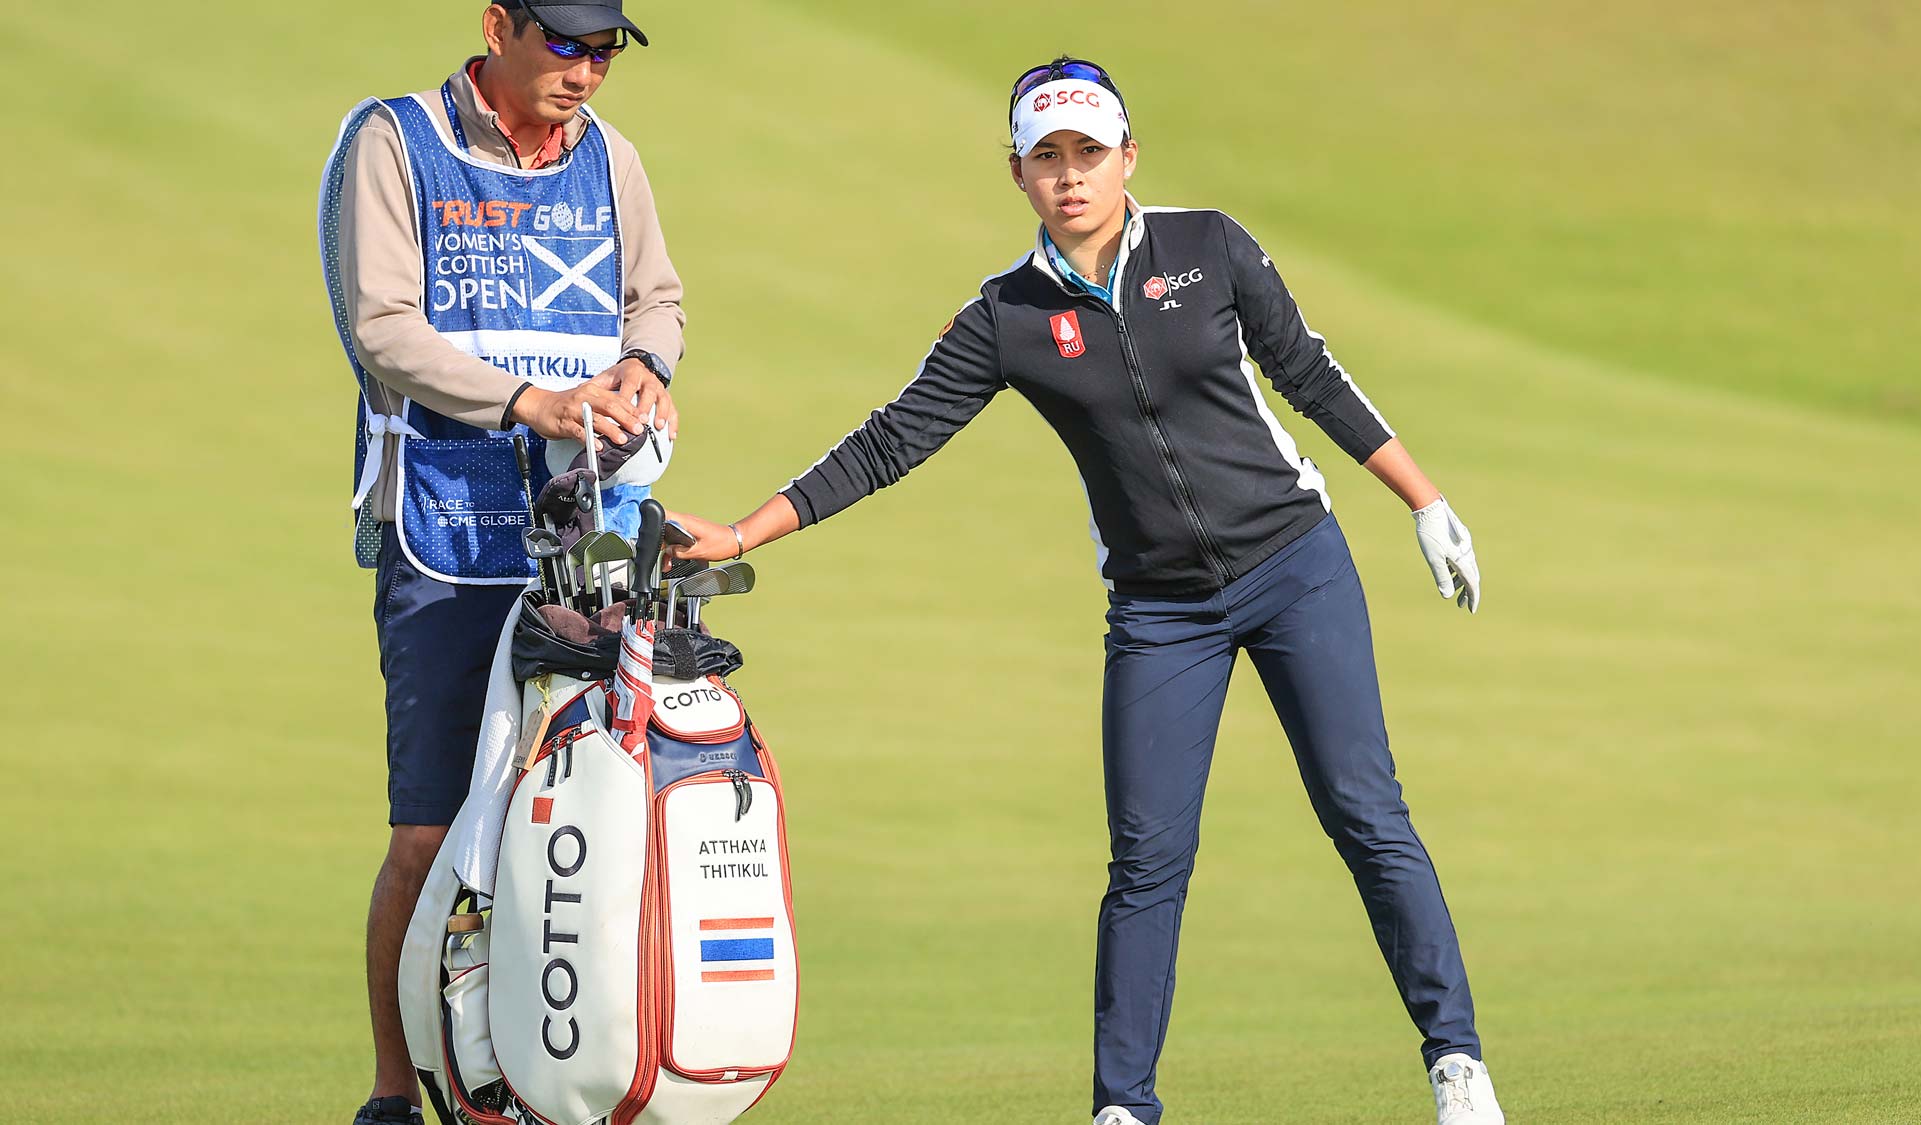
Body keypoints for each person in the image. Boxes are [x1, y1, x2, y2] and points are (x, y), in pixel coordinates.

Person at [660, 57, 1506, 1125]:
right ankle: (1121, 1108)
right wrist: (743, 530)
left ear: (1127, 159)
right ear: (1016, 171)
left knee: (1364, 814)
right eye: (1046, 158)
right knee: (1147, 860)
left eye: (1088, 155)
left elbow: (1308, 371)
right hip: (1161, 613)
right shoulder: (1007, 315)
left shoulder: (1207, 247)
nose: (1070, 177)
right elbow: (890, 442)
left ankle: (1456, 1063)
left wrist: (1422, 500)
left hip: (1294, 566)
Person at [315, 3, 684, 1122]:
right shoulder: (392, 138)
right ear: (497, 25)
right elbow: (380, 324)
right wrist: (528, 398)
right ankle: (393, 1089)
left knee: (586, 814)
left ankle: (553, 1081)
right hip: (444, 525)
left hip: (589, 531)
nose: (586, 69)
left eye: (604, 49)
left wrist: (640, 369)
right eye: (564, 44)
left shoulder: (611, 157)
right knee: (430, 828)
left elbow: (653, 299)